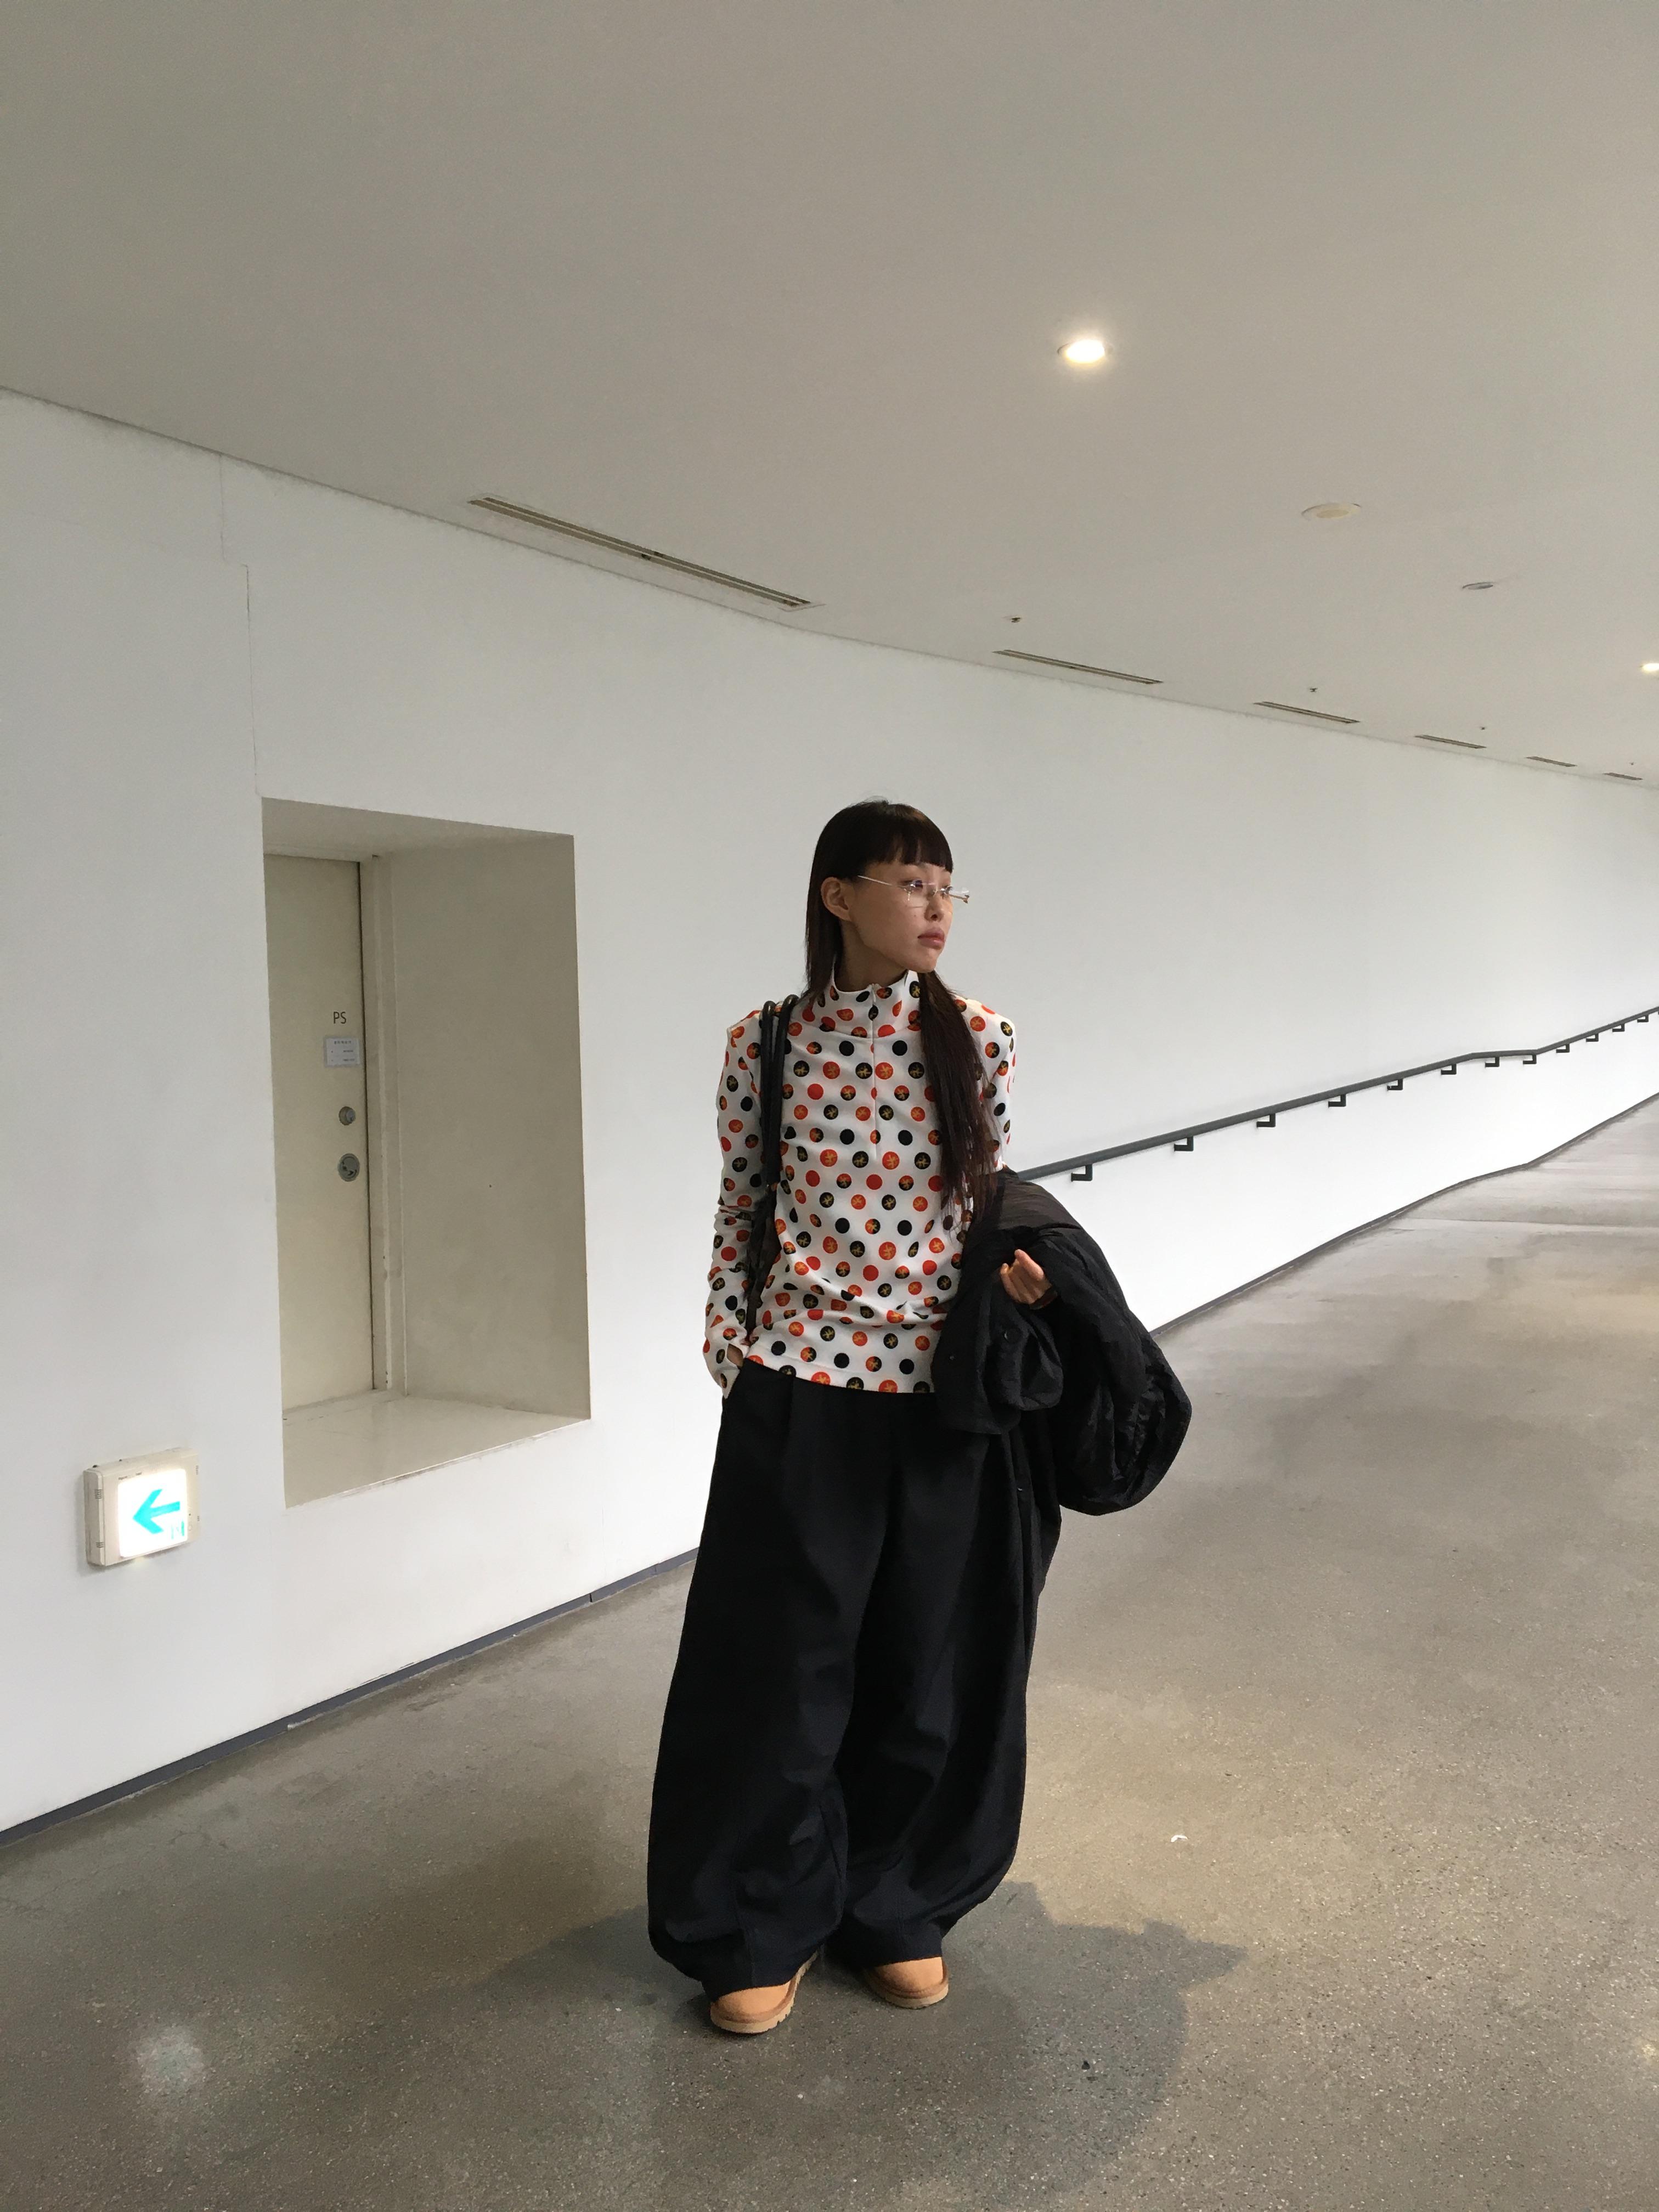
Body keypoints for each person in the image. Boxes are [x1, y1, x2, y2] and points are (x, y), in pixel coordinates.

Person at [646, 797, 1058, 2035]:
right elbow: (743, 1200)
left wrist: (1016, 1290)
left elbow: (982, 1203)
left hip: (941, 1403)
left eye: (947, 886)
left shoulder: (979, 1036)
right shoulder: (766, 1041)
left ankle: (893, 1901)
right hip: (800, 1385)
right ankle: (759, 1918)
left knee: (924, 1663)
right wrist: (730, 1341)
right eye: (910, 881)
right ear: (838, 895)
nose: (936, 907)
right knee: (779, 1665)